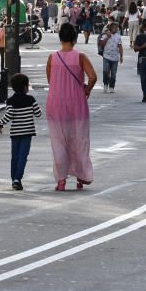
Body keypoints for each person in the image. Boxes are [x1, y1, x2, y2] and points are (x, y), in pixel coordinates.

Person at [46, 23, 97, 190]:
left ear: (60, 38)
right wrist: (87, 90)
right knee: (79, 139)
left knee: (58, 140)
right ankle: (82, 176)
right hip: (77, 103)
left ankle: (61, 179)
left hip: (55, 103)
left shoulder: (52, 58)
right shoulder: (80, 57)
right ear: (75, 38)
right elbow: (93, 77)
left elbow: (50, 81)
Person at [0, 73, 43, 191]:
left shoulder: (10, 101)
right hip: (27, 133)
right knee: (23, 156)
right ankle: (18, 178)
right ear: (24, 87)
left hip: (15, 133)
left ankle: (14, 179)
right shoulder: (31, 99)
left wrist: (1, 122)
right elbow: (38, 114)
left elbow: (9, 115)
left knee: (15, 156)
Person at [100, 22, 123, 93]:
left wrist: (121, 56)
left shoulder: (118, 36)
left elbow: (120, 47)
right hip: (106, 56)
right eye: (113, 27)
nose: (115, 29)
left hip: (115, 58)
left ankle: (111, 86)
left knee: (113, 73)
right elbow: (101, 44)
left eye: (116, 28)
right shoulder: (105, 35)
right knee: (105, 71)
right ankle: (105, 84)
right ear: (110, 28)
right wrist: (107, 37)